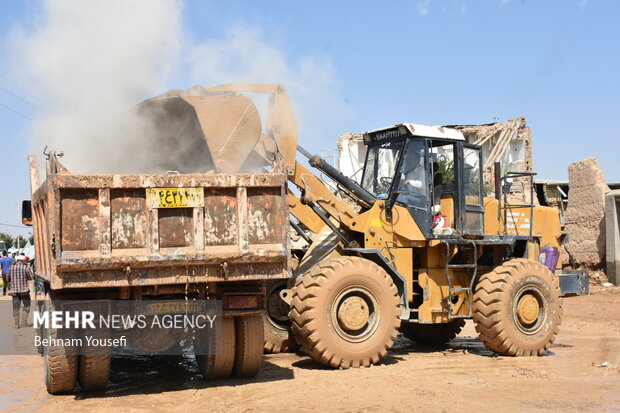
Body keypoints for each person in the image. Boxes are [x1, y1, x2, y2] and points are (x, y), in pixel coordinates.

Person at [6, 255, 33, 328]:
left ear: (17, 260)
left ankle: (16, 325)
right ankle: (24, 322)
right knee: (27, 306)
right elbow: (30, 278)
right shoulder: (25, 268)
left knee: (16, 308)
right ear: (23, 261)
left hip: (14, 292)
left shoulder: (11, 268)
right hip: (24, 291)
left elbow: (7, 278)